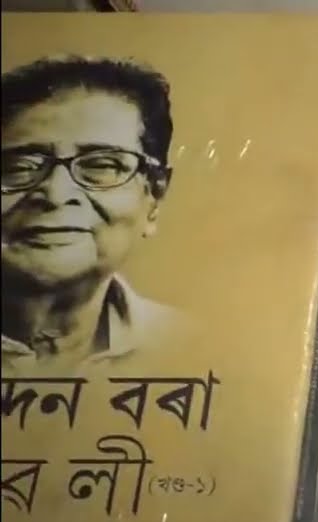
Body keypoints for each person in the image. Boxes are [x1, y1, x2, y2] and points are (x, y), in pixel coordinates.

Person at [1, 55, 184, 376]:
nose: (56, 194)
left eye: (101, 165)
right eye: (20, 167)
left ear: (154, 198)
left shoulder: (191, 347)